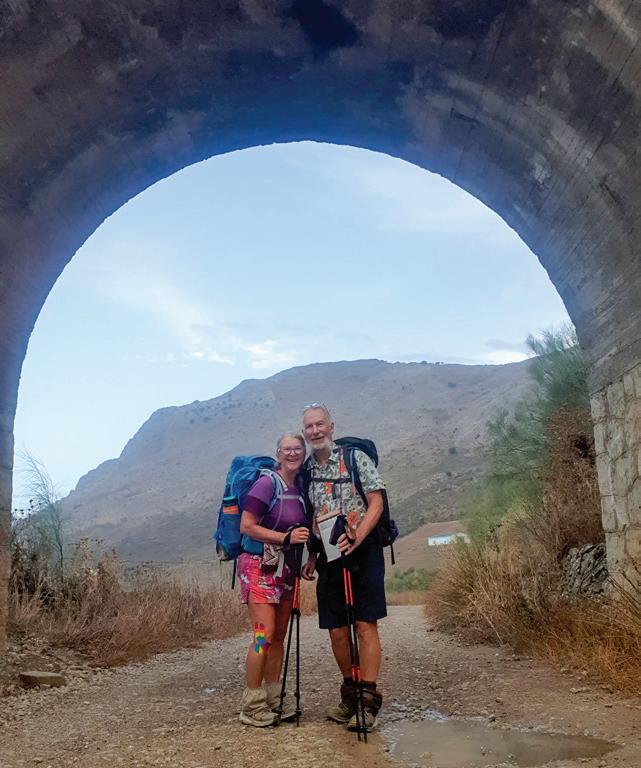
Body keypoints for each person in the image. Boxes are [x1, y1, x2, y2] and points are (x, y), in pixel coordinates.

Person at [300, 404, 386, 732]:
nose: (315, 431)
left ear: (331, 426)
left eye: (320, 424)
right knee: (336, 629)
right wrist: (312, 555)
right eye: (309, 427)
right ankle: (350, 693)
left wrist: (358, 536)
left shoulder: (354, 458)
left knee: (364, 624)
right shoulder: (307, 470)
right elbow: (311, 514)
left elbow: (376, 501)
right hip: (329, 555)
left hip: (364, 552)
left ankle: (367, 701)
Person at [237, 433, 310, 727]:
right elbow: (247, 526)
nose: (292, 453)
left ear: (304, 452)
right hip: (257, 566)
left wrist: (310, 558)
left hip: (285, 569)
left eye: (297, 449)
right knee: (262, 635)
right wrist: (285, 538)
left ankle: (272, 698)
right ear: (278, 453)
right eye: (287, 449)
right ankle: (252, 704)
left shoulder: (300, 488)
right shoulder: (267, 484)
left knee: (278, 636)